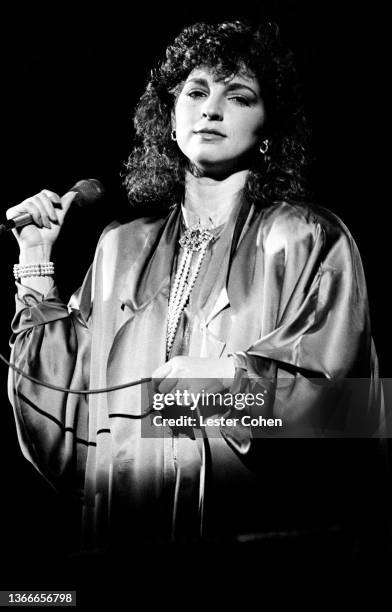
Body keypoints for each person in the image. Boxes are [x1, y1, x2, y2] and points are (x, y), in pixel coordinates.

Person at [6, 20, 384, 557]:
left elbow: (350, 415)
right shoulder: (119, 248)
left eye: (239, 96)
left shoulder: (308, 238)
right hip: (127, 546)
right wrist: (37, 260)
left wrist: (226, 385)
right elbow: (62, 425)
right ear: (170, 117)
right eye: (196, 92)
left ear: (268, 127)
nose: (212, 109)